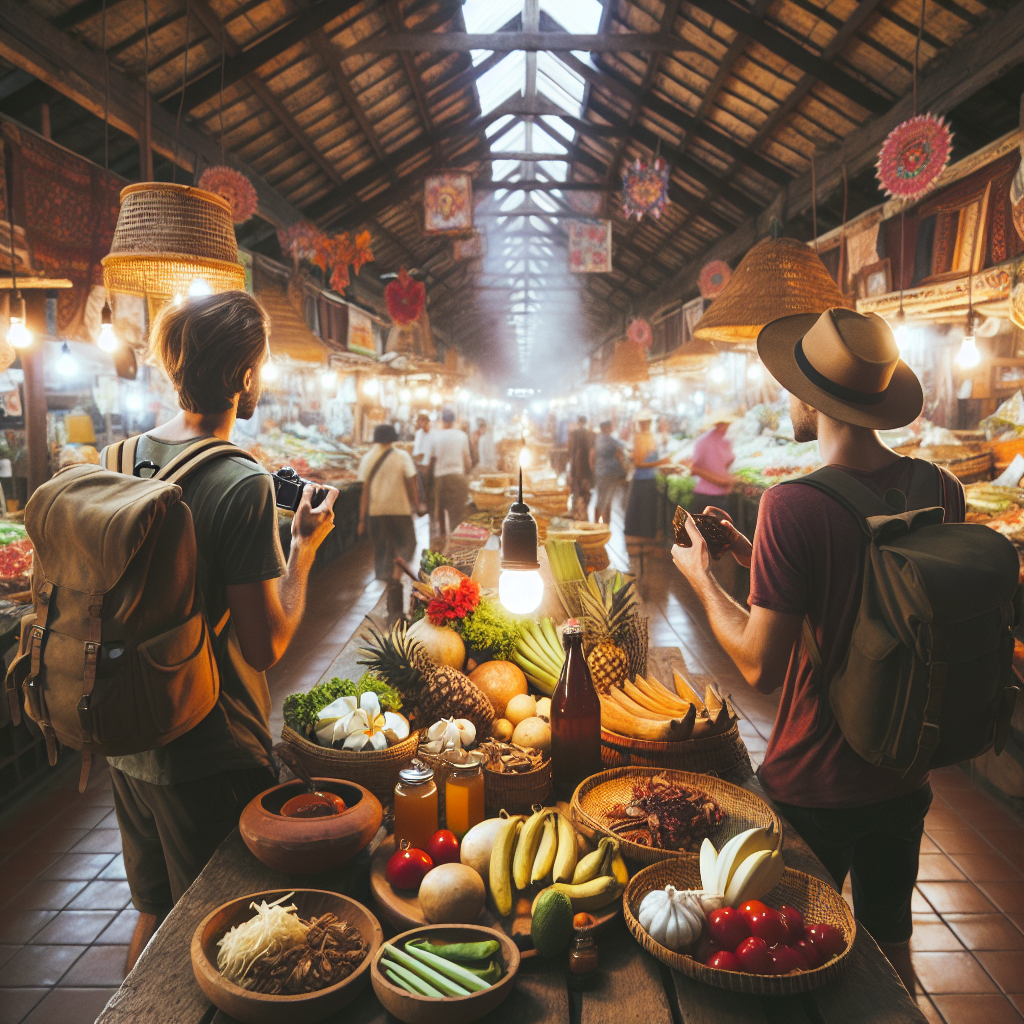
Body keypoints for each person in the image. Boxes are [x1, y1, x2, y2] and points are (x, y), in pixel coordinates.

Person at [671, 308, 964, 994]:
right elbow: (870, 611)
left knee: (790, 963)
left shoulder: (793, 504)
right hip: (905, 772)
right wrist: (756, 561)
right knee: (893, 945)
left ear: (811, 400)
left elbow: (758, 667)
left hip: (815, 784)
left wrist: (703, 581)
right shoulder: (941, 489)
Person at [105, 292, 338, 971]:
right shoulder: (240, 483)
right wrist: (305, 549)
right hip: (206, 746)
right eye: (261, 364)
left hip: (127, 738)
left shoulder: (121, 457)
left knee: (153, 911)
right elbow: (265, 645)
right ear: (242, 376)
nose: (263, 377)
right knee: (225, 933)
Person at [358, 423, 423, 620]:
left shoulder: (368, 458)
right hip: (400, 510)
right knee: (408, 543)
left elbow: (364, 491)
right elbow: (412, 483)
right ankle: (396, 575)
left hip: (377, 512)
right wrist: (416, 503)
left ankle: (388, 590)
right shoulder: (402, 456)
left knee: (382, 549)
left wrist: (362, 519)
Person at [623, 410, 672, 543]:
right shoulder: (638, 438)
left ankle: (646, 541)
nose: (646, 424)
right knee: (643, 515)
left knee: (648, 514)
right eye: (643, 422)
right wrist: (661, 462)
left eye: (647, 422)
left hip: (650, 479)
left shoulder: (652, 437)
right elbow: (639, 463)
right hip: (641, 481)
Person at [430, 407, 471, 542]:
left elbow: (432, 459)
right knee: (457, 514)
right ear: (454, 420)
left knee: (440, 512)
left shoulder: (435, 436)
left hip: (440, 477)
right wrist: (467, 476)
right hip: (457, 476)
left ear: (442, 420)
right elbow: (467, 460)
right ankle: (456, 543)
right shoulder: (462, 436)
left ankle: (441, 540)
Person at [690, 412, 738, 521]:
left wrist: (727, 480)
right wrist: (720, 481)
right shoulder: (703, 441)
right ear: (716, 424)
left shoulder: (726, 440)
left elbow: (726, 462)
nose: (725, 426)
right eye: (722, 423)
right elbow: (694, 469)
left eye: (727, 424)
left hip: (721, 495)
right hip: (705, 496)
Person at [593, 420, 627, 526]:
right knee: (606, 500)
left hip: (600, 472)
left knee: (602, 499)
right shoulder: (609, 440)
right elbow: (621, 450)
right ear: (607, 428)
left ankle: (599, 524)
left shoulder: (598, 439)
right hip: (609, 473)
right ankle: (604, 524)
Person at [567, 415, 595, 519]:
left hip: (579, 470)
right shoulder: (589, 434)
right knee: (585, 494)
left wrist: (573, 472)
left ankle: (578, 515)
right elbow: (591, 454)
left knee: (577, 493)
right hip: (586, 470)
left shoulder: (575, 435)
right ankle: (583, 515)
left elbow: (576, 454)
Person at [412, 411, 433, 529]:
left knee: (427, 489)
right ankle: (424, 509)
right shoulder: (419, 433)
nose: (422, 424)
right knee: (422, 488)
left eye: (424, 422)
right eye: (420, 422)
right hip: (420, 466)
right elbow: (417, 450)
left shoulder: (433, 434)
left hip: (428, 466)